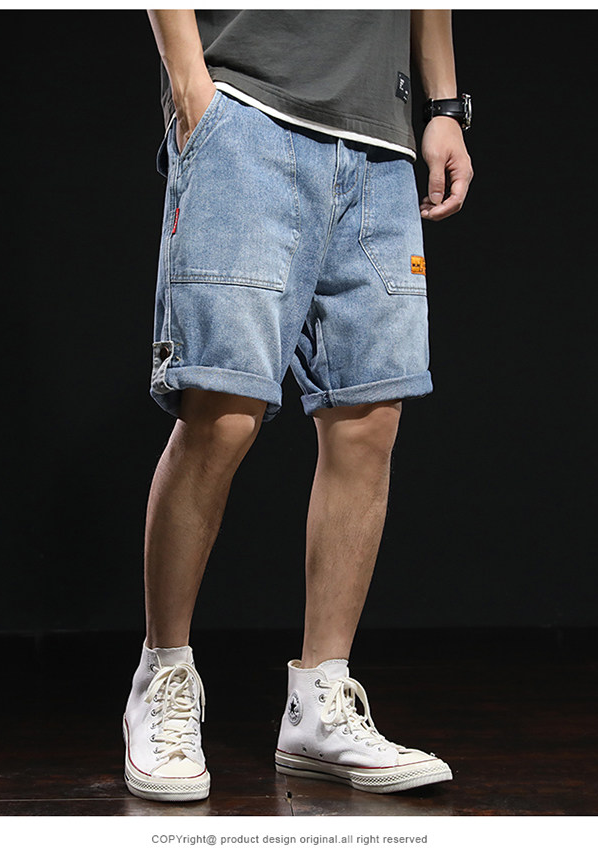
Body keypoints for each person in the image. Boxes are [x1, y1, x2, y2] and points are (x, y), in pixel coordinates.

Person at [123, 9, 473, 802]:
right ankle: (162, 677)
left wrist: (445, 107)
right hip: (247, 109)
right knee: (224, 409)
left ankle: (320, 702)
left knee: (369, 420)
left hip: (381, 141)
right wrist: (190, 86)